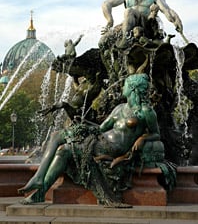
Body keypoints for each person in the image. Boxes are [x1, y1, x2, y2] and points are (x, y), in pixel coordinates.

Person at [18, 73, 161, 206]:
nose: (123, 87)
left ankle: (39, 184)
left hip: (113, 148)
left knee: (64, 149)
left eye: (126, 85)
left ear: (133, 89)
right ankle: (39, 186)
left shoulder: (146, 112)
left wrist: (142, 138)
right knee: (58, 140)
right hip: (99, 139)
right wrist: (84, 123)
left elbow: (156, 134)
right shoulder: (119, 108)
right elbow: (102, 128)